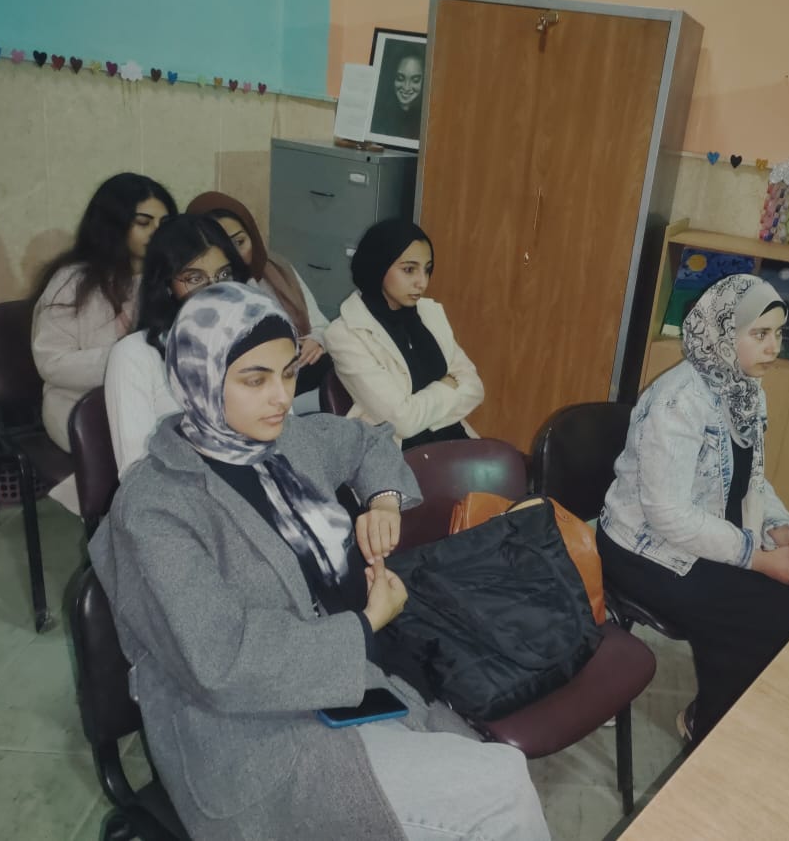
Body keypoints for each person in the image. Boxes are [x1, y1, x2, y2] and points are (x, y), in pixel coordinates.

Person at [87, 282, 550, 841]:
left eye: (287, 374)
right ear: (197, 377)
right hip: (252, 736)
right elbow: (220, 662)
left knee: (487, 786)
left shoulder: (286, 443)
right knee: (500, 790)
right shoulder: (155, 506)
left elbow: (368, 441)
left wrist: (383, 501)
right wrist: (365, 623)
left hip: (355, 685)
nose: (281, 397)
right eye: (255, 379)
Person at [597, 274, 789, 746]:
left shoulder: (746, 389)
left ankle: (718, 710)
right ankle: (712, 728)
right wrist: (755, 558)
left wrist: (779, 527)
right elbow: (667, 514)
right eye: (760, 334)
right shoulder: (679, 400)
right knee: (767, 615)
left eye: (778, 333)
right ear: (722, 332)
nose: (774, 347)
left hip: (704, 533)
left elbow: (750, 476)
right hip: (644, 548)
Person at [31, 172, 176, 451]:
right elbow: (52, 362)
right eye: (143, 223)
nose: (157, 232)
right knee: (145, 448)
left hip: (152, 399)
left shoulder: (170, 279)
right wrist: (129, 360)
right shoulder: (72, 282)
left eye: (164, 223)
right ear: (114, 225)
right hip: (80, 406)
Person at [105, 214, 250, 475]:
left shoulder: (254, 343)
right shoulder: (134, 355)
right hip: (180, 494)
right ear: (167, 285)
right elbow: (136, 472)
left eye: (224, 274)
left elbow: (287, 435)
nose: (215, 290)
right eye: (195, 278)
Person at [324, 219, 483, 449]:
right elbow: (401, 423)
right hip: (397, 456)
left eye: (427, 269)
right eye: (409, 270)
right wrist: (447, 386)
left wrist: (419, 409)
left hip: (453, 441)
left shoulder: (429, 313)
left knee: (507, 467)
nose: (422, 282)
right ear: (379, 266)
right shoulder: (344, 334)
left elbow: (475, 388)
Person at [186, 191, 331, 394]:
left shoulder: (277, 269)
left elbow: (322, 325)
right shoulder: (207, 292)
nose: (235, 254)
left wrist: (316, 341)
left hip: (302, 373)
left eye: (239, 242)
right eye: (222, 246)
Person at [371, 47, 424, 141]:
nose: (406, 87)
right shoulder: (377, 118)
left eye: (415, 80)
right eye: (400, 78)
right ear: (392, 78)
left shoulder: (426, 122)